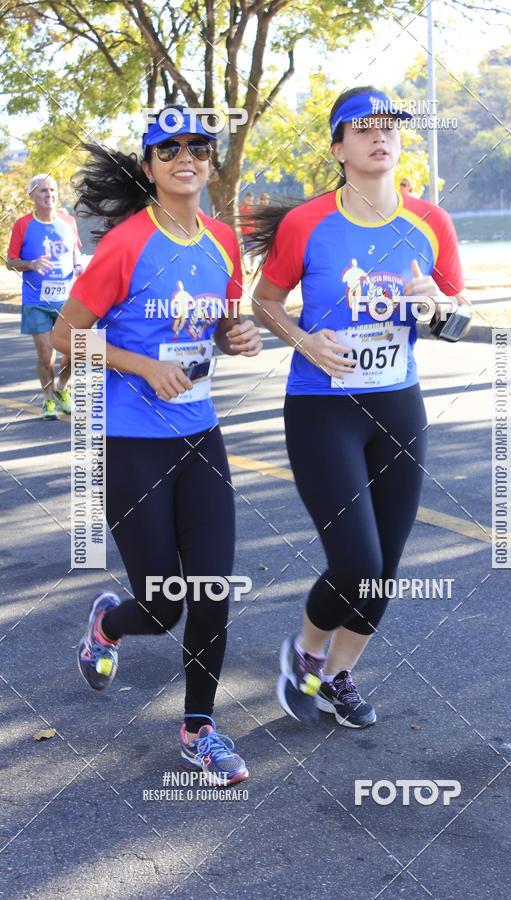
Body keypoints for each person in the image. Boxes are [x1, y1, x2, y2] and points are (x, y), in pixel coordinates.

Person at [52, 107, 261, 782]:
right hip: (131, 441)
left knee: (211, 591)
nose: (185, 156)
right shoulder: (125, 245)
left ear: (209, 162)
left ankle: (199, 729)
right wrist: (142, 365)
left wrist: (240, 336)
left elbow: (225, 321)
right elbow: (64, 336)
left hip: (201, 436)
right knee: (163, 602)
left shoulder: (222, 242)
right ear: (149, 168)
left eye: (198, 146)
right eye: (167, 148)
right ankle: (110, 624)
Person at [250, 86, 468, 729]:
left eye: (390, 127)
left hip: (399, 406)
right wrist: (301, 338)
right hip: (324, 409)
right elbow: (264, 303)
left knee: (385, 572)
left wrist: (438, 309)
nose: (381, 136)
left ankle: (339, 676)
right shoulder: (307, 222)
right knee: (358, 563)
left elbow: (456, 317)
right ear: (338, 147)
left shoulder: (432, 221)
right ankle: (305, 653)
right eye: (363, 127)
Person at [6, 175, 82, 420]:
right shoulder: (22, 224)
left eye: (52, 190)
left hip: (65, 299)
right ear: (32, 196)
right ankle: (49, 399)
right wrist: (30, 264)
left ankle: (62, 387)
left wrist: (78, 266)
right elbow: (10, 261)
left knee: (74, 352)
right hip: (36, 300)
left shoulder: (68, 221)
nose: (49, 195)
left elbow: (75, 251)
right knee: (46, 354)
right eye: (42, 191)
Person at [239, 190, 256, 275]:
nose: (249, 202)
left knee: (254, 251)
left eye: (251, 200)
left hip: (252, 233)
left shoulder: (253, 209)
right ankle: (247, 268)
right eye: (248, 200)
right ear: (245, 199)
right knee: (244, 252)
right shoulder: (240, 209)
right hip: (243, 234)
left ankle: (252, 267)